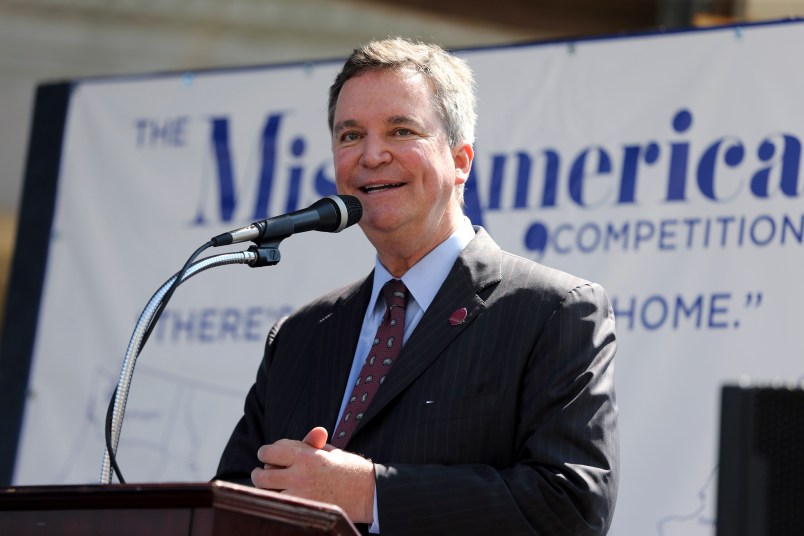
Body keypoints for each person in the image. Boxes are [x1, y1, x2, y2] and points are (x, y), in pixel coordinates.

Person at [215, 37, 619, 535]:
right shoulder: (299, 335)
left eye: (400, 130)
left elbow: (571, 505)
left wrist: (371, 492)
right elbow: (229, 505)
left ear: (461, 161)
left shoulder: (554, 311)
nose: (371, 155)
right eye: (349, 136)